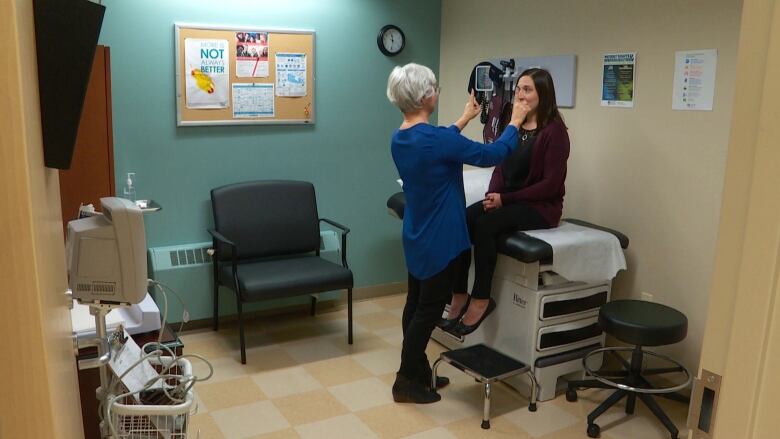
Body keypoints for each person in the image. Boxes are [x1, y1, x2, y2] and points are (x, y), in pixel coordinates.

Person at [387, 63, 530, 403]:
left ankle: (418, 370)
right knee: (428, 310)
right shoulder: (435, 140)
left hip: (417, 234)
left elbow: (440, 143)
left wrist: (465, 117)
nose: (437, 91)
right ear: (426, 96)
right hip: (439, 238)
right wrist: (514, 123)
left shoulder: (402, 136)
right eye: (434, 87)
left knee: (415, 303)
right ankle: (405, 381)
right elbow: (491, 154)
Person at [441, 68, 570, 337]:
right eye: (518, 89)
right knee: (464, 219)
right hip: (507, 199)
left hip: (540, 207)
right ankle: (459, 294)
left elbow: (550, 185)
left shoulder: (554, 133)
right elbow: (499, 164)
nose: (520, 95)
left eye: (527, 90)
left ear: (543, 94)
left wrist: (505, 199)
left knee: (486, 226)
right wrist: (492, 196)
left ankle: (481, 299)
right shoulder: (514, 126)